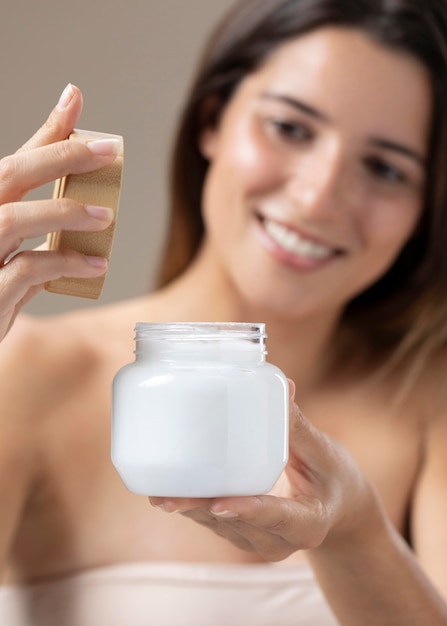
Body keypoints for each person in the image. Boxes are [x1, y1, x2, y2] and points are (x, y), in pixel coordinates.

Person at [1, 0, 447, 624]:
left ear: (426, 207)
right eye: (291, 128)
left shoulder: (429, 403)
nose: (319, 197)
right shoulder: (30, 370)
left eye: (383, 167)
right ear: (213, 120)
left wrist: (355, 529)